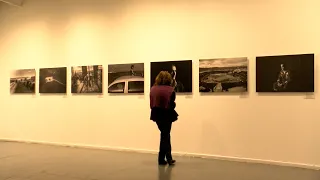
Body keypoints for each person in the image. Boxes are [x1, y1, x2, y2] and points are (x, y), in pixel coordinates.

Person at [150, 71, 178, 166]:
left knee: (165, 135)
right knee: (165, 135)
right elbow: (172, 105)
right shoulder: (170, 89)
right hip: (167, 114)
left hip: (156, 114)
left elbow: (151, 104)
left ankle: (165, 158)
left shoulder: (153, 89)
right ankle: (164, 158)